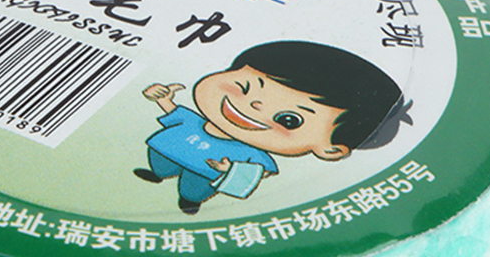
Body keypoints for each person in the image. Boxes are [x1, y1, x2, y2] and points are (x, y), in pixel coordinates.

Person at [134, 40, 409, 214]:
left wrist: (229, 169)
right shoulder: (196, 121)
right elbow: (177, 114)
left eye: (289, 119)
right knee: (161, 159)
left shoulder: (253, 154)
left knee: (194, 186)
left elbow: (255, 173)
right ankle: (157, 174)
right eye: (244, 86)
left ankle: (189, 201)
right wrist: (164, 100)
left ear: (330, 149)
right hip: (172, 146)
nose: (254, 105)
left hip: (206, 170)